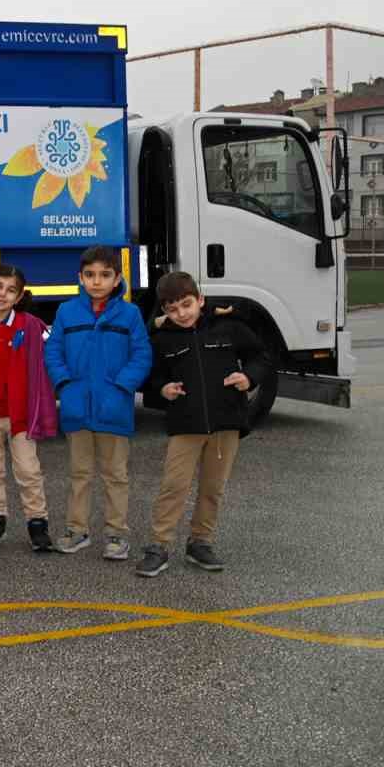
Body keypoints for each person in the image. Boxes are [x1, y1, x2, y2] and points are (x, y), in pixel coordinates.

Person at [136, 272, 271, 577]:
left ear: (200, 300)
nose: (181, 314)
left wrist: (248, 378)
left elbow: (261, 357)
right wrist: (162, 389)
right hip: (186, 424)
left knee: (213, 488)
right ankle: (159, 546)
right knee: (174, 487)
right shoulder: (161, 340)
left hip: (226, 423)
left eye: (187, 304)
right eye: (172, 309)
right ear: (164, 311)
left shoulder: (230, 327)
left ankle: (200, 543)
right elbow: (151, 376)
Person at [45, 245, 153, 561]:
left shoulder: (129, 314)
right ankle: (77, 530)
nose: (97, 281)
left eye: (105, 275)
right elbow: (53, 352)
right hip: (77, 408)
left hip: (114, 409)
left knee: (115, 475)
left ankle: (117, 535)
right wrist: (65, 384)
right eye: (90, 275)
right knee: (79, 474)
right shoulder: (67, 312)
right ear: (80, 277)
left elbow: (142, 354)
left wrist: (122, 386)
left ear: (117, 277)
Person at [0, 264, 57, 552]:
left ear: (19, 297)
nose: (2, 294)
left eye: (11, 290)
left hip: (20, 414)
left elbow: (52, 357)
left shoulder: (31, 325)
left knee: (29, 471)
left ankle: (37, 523)